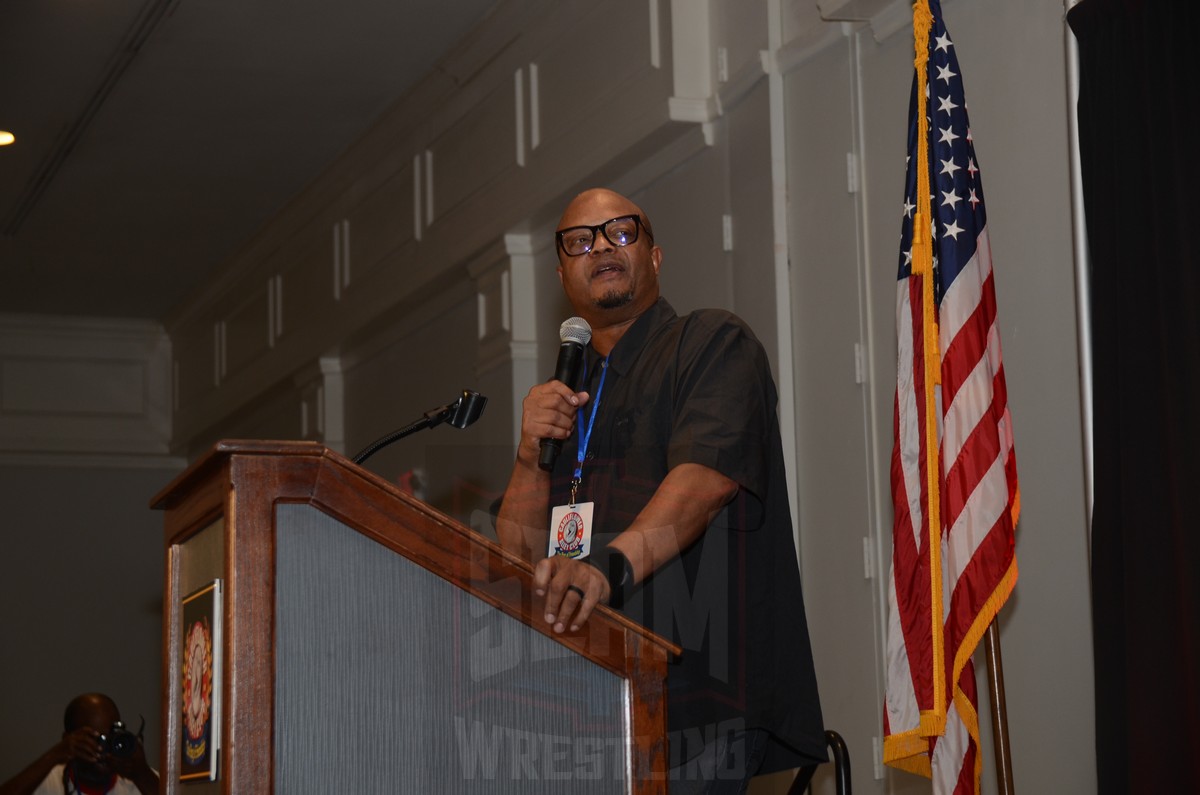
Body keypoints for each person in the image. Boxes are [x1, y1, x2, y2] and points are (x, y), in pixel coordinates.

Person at [497, 188, 826, 792]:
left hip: (693, 704)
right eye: (579, 241)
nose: (600, 247)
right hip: (579, 708)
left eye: (621, 232)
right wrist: (527, 459)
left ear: (654, 255)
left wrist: (606, 570)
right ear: (563, 273)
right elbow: (516, 562)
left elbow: (703, 482)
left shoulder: (710, 344)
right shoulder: (563, 398)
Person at [0, 693, 159, 795]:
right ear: (68, 739)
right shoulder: (49, 781)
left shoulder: (140, 780)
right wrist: (55, 755)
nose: (103, 749)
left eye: (111, 738)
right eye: (93, 739)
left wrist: (142, 774)